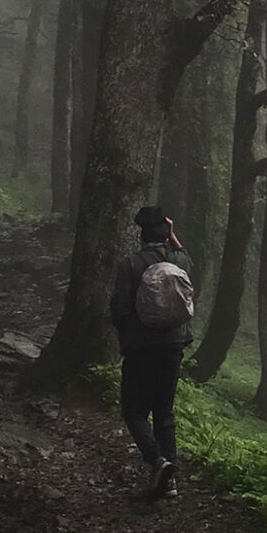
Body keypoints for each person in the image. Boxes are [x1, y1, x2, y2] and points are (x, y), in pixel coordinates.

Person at [110, 205, 195, 500]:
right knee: (164, 412)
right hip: (174, 345)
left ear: (141, 235)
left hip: (141, 348)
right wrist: (173, 235)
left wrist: (125, 339)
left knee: (134, 411)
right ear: (165, 234)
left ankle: (158, 462)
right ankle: (170, 483)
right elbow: (188, 262)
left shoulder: (131, 264)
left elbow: (119, 310)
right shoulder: (178, 261)